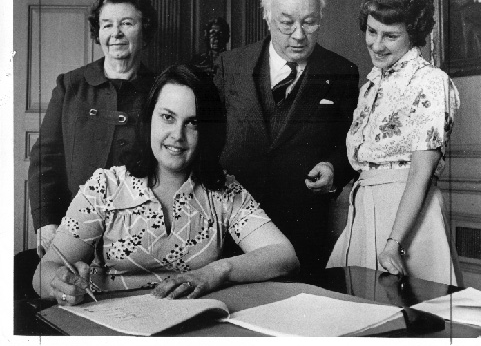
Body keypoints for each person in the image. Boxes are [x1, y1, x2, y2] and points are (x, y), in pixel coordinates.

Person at [32, 65, 299, 305]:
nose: (177, 136)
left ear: (207, 130)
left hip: (192, 326)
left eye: (192, 123)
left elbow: (283, 255)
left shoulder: (223, 190)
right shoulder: (105, 186)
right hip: (113, 325)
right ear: (149, 120)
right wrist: (61, 282)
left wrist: (215, 271)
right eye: (167, 118)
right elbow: (43, 273)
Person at [213, 0, 359, 276]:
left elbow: (353, 142)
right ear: (268, 18)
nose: (299, 35)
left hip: (304, 226)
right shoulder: (231, 65)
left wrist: (334, 169)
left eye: (310, 22)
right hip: (230, 225)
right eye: (287, 23)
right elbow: (208, 135)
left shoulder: (342, 72)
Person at [327, 0, 463, 286]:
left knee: (412, 315)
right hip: (365, 211)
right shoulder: (371, 86)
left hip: (407, 222)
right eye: (372, 31)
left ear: (413, 34)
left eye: (390, 35)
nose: (376, 44)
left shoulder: (429, 83)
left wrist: (393, 243)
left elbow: (420, 173)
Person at [28, 0, 158, 256]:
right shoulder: (71, 85)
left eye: (127, 23)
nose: (116, 33)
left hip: (142, 231)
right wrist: (47, 222)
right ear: (97, 32)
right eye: (107, 24)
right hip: (75, 228)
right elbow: (46, 157)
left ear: (144, 30)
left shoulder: (162, 88)